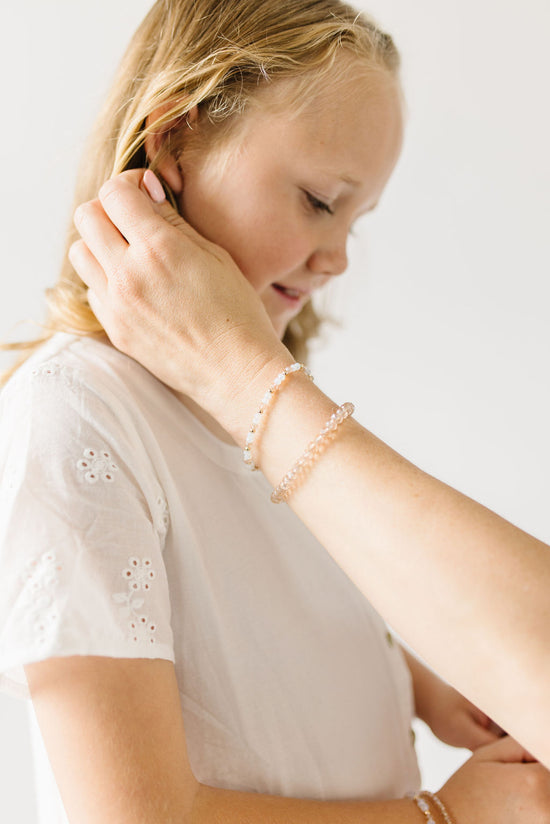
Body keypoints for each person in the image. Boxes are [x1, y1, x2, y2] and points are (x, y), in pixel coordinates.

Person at [1, 2, 549, 824]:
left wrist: (416, 678)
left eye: (357, 222)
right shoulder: (81, 413)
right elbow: (134, 816)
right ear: (174, 139)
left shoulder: (271, 412)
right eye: (321, 202)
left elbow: (259, 641)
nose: (337, 259)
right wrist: (445, 818)